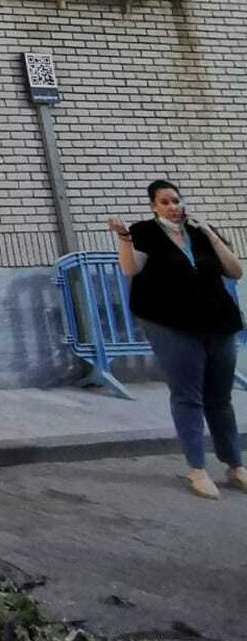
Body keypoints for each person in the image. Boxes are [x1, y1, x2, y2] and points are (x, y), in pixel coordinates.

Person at [109, 180, 246, 498]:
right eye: (165, 202)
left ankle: (235, 464)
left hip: (217, 322)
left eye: (176, 200)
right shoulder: (144, 231)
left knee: (220, 398)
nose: (173, 207)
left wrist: (210, 233)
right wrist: (124, 237)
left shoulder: (200, 232)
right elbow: (131, 268)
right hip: (171, 325)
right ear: (154, 206)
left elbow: (235, 271)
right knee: (188, 396)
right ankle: (197, 469)